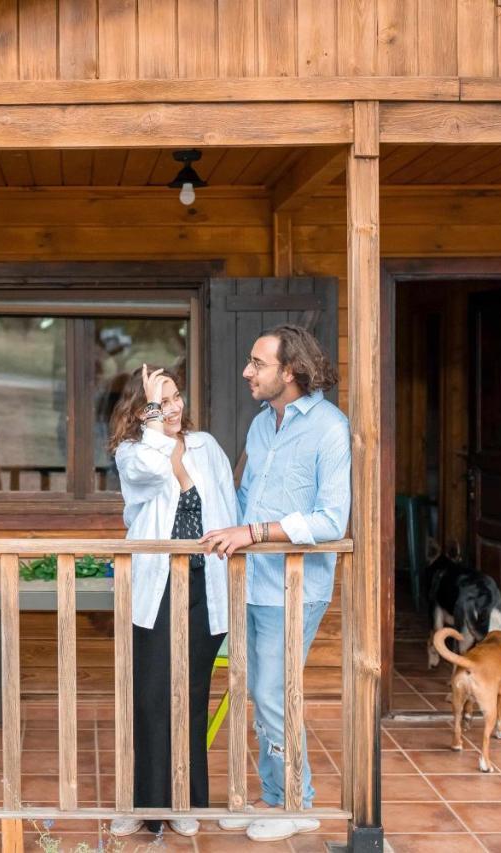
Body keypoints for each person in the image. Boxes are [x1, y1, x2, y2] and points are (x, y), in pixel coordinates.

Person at [201, 324, 350, 844]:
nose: (247, 371)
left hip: (295, 588)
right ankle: (271, 796)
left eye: (257, 363)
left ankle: (296, 803)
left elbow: (332, 519)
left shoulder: (330, 428)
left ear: (290, 371)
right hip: (248, 582)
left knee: (273, 693)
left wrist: (254, 532)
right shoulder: (262, 425)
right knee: (251, 692)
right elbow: (244, 497)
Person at [108, 365, 239, 839]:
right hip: (158, 588)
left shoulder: (208, 448)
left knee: (191, 695)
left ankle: (184, 798)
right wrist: (155, 423)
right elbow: (147, 472)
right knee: (149, 695)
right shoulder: (133, 452)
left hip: (207, 587)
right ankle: (141, 802)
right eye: (163, 400)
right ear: (142, 409)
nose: (176, 406)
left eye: (177, 395)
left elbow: (229, 508)